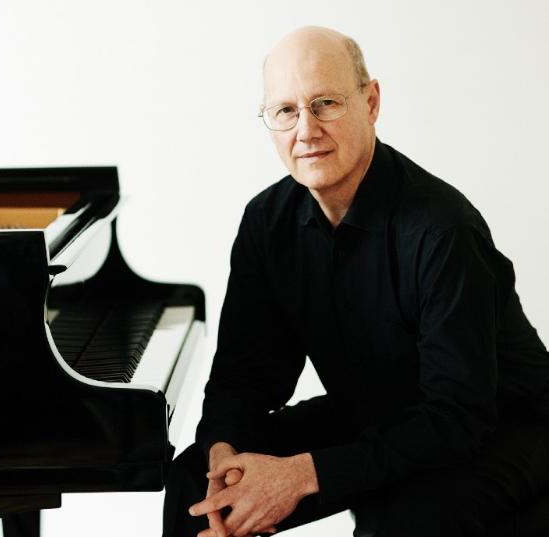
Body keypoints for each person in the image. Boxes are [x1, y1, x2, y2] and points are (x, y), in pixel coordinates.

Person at [162, 26, 549, 537]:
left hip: (502, 425)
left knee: (398, 521)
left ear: (371, 102)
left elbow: (457, 417)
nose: (306, 130)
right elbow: (244, 376)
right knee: (194, 484)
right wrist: (224, 463)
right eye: (285, 110)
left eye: (325, 103)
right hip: (374, 411)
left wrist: (300, 475)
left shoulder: (442, 228)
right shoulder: (266, 222)